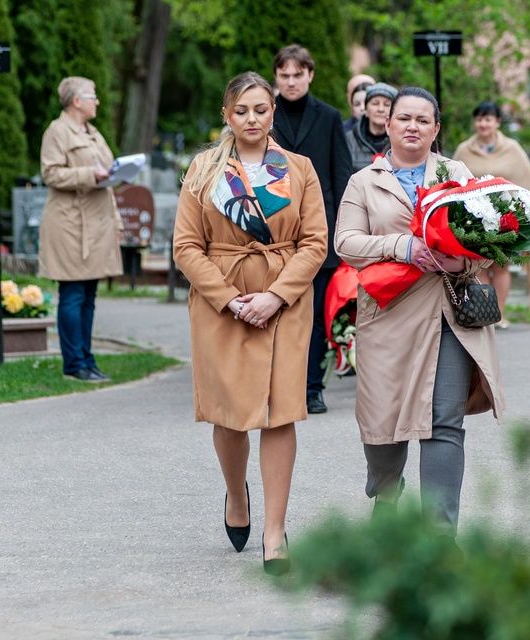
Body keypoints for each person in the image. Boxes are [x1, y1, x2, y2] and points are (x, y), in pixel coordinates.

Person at [173, 72, 327, 575]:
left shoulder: (299, 170)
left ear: (273, 113)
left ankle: (274, 531)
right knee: (230, 413)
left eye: (261, 109)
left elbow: (314, 244)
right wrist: (231, 300)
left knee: (281, 412)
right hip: (224, 303)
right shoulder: (203, 172)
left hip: (284, 302)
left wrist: (276, 295)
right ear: (226, 115)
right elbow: (186, 248)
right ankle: (235, 494)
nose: (252, 119)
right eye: (242, 111)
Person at [335, 87, 505, 537]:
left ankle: (439, 537)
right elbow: (346, 243)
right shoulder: (364, 181)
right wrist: (403, 246)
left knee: (443, 425)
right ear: (387, 125)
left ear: (436, 129)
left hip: (449, 314)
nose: (412, 126)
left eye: (422, 120)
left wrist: (463, 260)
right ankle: (386, 491)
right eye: (403, 118)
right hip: (387, 316)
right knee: (382, 428)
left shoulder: (458, 174)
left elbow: (489, 240)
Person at [273, 44, 353, 414]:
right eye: (284, 75)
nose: (291, 82)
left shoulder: (328, 116)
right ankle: (280, 385)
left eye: (297, 75)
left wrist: (341, 230)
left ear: (310, 75)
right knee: (279, 313)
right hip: (273, 232)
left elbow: (340, 174)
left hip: (319, 231)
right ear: (276, 77)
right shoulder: (264, 114)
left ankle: (311, 388)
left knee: (319, 315)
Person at [38, 76, 123, 383]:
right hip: (70, 223)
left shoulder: (93, 131)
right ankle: (74, 363)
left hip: (97, 222)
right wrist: (91, 174)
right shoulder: (57, 131)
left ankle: (87, 359)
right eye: (92, 95)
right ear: (76, 101)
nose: (97, 101)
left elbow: (107, 172)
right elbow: (50, 173)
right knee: (73, 293)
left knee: (88, 294)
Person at [453, 101, 530, 324]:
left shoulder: (512, 149)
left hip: (505, 219)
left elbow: (524, 181)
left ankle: (499, 313)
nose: (483, 124)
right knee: (479, 267)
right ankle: (485, 312)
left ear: (497, 122)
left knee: (501, 266)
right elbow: (454, 183)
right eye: (480, 119)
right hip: (474, 220)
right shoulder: (464, 149)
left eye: (488, 119)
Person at [345, 82, 397, 172]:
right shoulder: (349, 140)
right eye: (375, 103)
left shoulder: (400, 140)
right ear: (365, 110)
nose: (380, 109)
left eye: (387, 105)